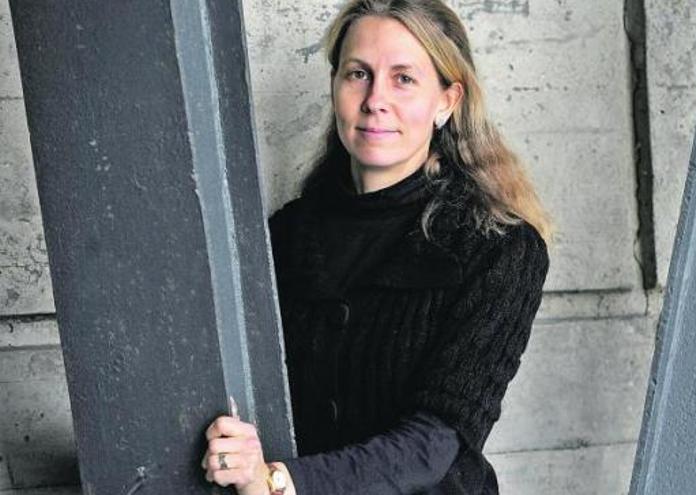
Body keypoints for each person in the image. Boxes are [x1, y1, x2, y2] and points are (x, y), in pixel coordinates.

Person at [200, 1, 552, 493]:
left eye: (404, 78)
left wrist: (280, 482)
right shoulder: (283, 236)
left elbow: (436, 441)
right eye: (358, 74)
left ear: (447, 101)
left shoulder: (499, 247)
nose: (374, 99)